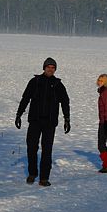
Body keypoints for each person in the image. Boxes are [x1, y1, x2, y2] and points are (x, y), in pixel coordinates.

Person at [15, 57, 71, 186]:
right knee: (31, 147)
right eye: (48, 67)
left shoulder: (58, 84)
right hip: (35, 121)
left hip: (50, 123)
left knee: (47, 150)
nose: (50, 70)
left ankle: (44, 178)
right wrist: (19, 114)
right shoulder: (35, 82)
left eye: (53, 68)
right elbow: (25, 98)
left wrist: (67, 118)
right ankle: (32, 173)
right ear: (44, 68)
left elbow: (65, 102)